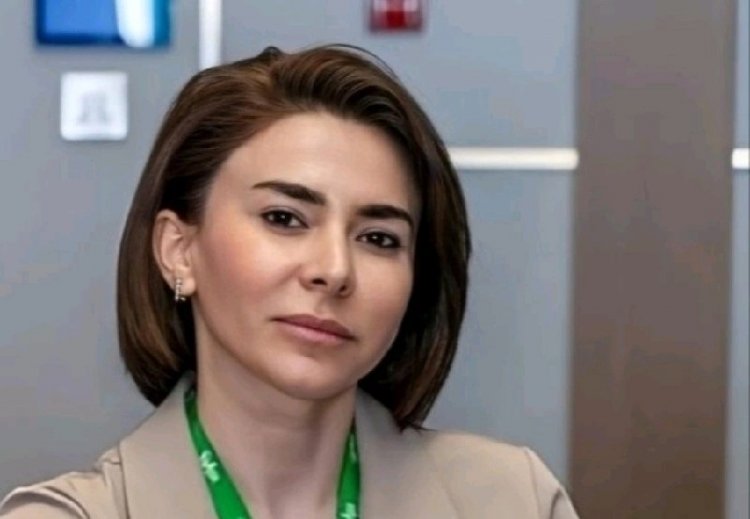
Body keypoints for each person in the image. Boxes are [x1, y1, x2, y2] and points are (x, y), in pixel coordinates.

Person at [0, 45, 578, 519]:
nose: (334, 269)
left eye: (379, 238)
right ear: (179, 250)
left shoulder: (513, 500)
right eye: (284, 218)